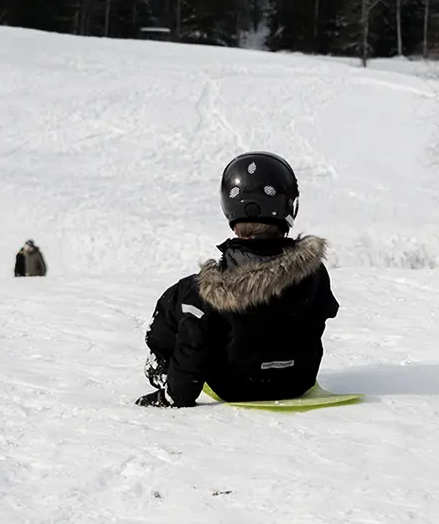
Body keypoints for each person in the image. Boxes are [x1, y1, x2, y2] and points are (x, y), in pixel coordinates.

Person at [136, 151, 340, 408]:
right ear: (289, 206)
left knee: (181, 297)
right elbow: (328, 310)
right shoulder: (314, 273)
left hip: (235, 386)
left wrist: (174, 396)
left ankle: (162, 369)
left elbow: (193, 345)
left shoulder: (209, 289)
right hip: (298, 381)